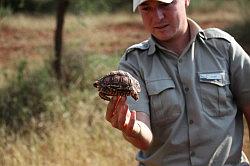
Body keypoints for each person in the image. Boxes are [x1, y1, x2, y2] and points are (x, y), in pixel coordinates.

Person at [105, 0, 250, 165]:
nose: (158, 17)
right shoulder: (134, 62)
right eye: (146, 8)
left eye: (165, 5)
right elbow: (143, 138)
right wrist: (133, 129)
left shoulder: (224, 48)